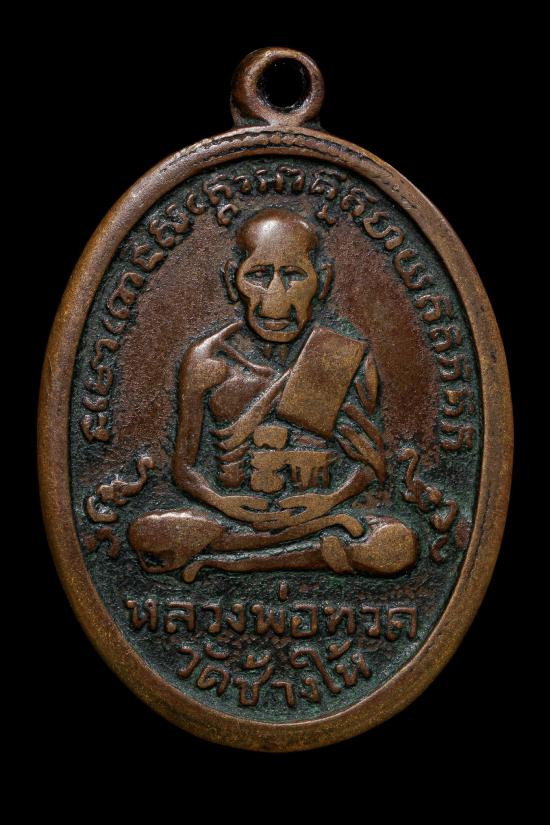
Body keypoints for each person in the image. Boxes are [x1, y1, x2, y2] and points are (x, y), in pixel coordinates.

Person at [128, 208, 417, 581]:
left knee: (398, 543)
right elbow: (184, 470)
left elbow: (370, 465)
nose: (275, 297)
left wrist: (327, 502)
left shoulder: (340, 356)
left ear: (322, 281)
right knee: (149, 532)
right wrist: (225, 504)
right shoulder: (208, 360)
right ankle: (305, 552)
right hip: (233, 517)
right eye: (259, 276)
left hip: (318, 513)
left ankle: (231, 559)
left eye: (294, 275)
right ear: (232, 280)